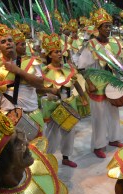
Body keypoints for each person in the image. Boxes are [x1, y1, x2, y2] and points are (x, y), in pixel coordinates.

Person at [0, 24, 52, 136]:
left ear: (14, 43)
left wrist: (18, 71)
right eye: (3, 42)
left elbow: (40, 84)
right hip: (7, 117)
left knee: (36, 150)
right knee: (15, 152)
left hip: (31, 115)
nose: (8, 43)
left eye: (10, 40)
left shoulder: (30, 62)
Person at [77, 8, 123, 158]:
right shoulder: (91, 44)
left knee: (113, 113)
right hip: (96, 86)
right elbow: (81, 67)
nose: (108, 29)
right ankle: (98, 145)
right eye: (105, 26)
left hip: (111, 85)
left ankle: (114, 139)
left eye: (110, 26)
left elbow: (119, 64)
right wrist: (89, 83)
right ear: (98, 28)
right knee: (99, 117)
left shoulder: (113, 43)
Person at [40, 32, 88, 168]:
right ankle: (47, 159)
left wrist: (83, 98)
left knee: (69, 131)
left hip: (69, 102)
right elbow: (38, 89)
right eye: (56, 52)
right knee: (51, 133)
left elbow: (77, 84)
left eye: (60, 51)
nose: (60, 54)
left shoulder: (68, 69)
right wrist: (49, 92)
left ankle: (66, 157)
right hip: (52, 104)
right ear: (49, 55)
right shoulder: (43, 71)